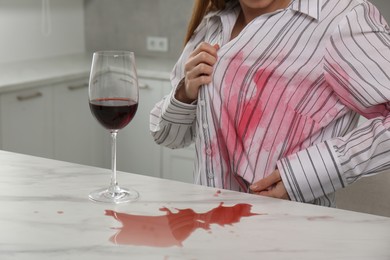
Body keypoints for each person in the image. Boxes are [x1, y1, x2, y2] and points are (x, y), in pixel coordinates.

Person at [150, 0, 390, 207]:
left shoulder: (342, 19)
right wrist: (185, 93)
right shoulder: (212, 24)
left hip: (289, 236)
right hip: (207, 229)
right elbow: (167, 137)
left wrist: (304, 175)